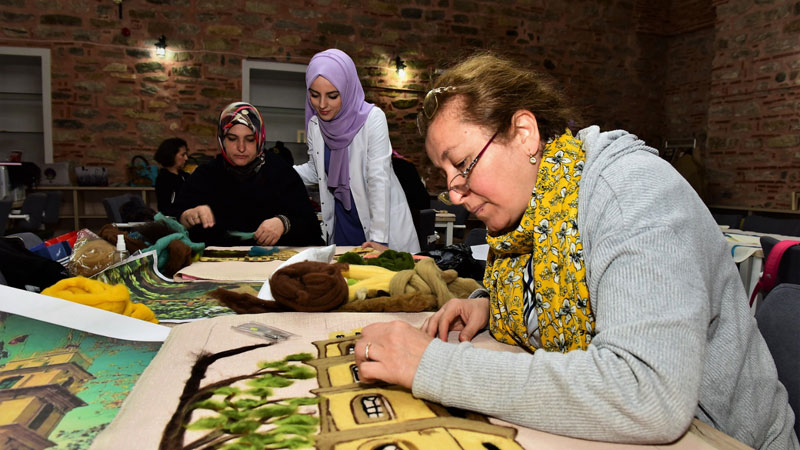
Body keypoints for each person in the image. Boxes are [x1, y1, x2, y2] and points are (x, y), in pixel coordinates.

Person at [352, 53, 798, 450]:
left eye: (463, 164)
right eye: (443, 173)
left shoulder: (632, 193)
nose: (452, 192)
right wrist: (494, 305)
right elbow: (574, 286)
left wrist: (432, 366)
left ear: (524, 133)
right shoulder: (538, 211)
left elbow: (647, 393)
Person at [294, 49, 420, 253]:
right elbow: (316, 171)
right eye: (315, 95)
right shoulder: (316, 126)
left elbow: (378, 178)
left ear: (347, 89)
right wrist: (277, 170)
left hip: (379, 227)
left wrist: (380, 239)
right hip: (343, 225)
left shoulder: (372, 118)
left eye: (332, 96)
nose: (322, 105)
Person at [174, 102, 323, 247]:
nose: (241, 147)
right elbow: (174, 222)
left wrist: (284, 223)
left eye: (250, 140)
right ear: (221, 139)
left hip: (272, 267)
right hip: (216, 267)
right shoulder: (205, 176)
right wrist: (188, 216)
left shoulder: (280, 173)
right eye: (232, 139)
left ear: (260, 139)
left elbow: (310, 226)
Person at [153, 137, 189, 218]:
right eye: (183, 155)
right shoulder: (164, 179)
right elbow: (166, 209)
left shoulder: (184, 176)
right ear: (171, 155)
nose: (186, 158)